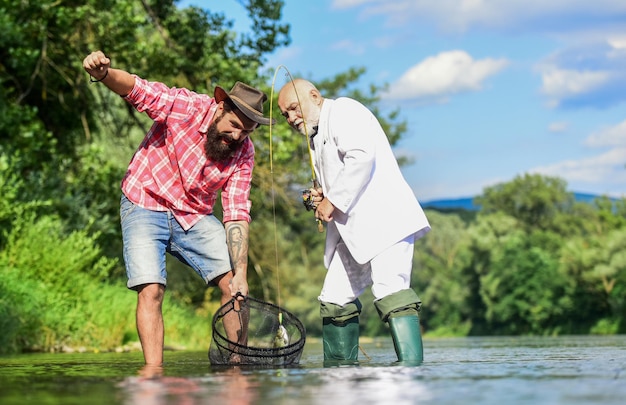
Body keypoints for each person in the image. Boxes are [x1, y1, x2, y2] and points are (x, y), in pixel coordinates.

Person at [82, 50, 274, 368]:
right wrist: (103, 74)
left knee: (235, 286)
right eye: (234, 126)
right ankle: (153, 372)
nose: (237, 136)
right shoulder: (187, 107)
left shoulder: (244, 151)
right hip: (145, 200)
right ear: (220, 107)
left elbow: (237, 210)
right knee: (152, 289)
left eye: (247, 132)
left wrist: (241, 272)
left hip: (193, 215)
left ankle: (238, 368)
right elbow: (137, 90)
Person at [277, 79, 431, 366]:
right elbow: (341, 178)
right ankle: (340, 379)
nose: (291, 118)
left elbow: (362, 157)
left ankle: (409, 372)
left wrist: (331, 201)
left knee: (391, 290)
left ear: (315, 96)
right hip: (354, 232)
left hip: (387, 222)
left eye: (294, 108)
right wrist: (322, 196)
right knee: (334, 299)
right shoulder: (316, 135)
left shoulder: (344, 110)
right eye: (285, 114)